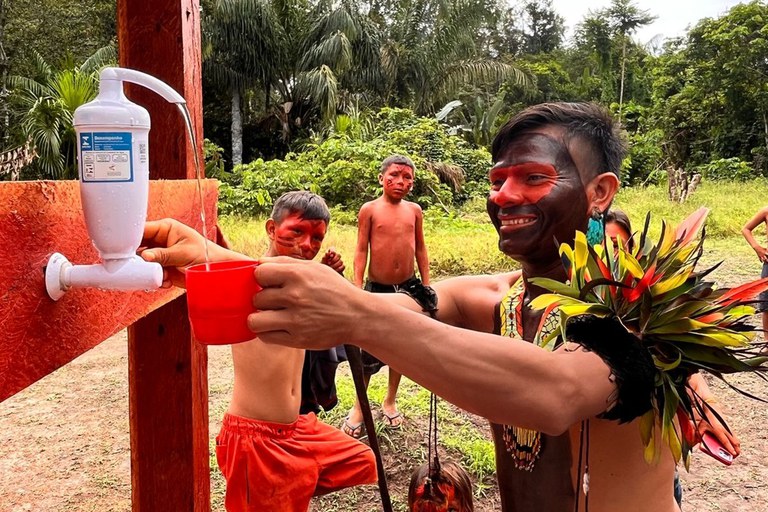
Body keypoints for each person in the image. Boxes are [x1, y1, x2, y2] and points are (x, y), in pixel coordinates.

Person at [140, 103, 753, 512]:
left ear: (599, 193)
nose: (505, 195)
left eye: (533, 178)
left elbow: (558, 393)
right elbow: (383, 308)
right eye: (498, 178)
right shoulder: (493, 298)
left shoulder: (646, 311)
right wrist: (212, 259)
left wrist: (357, 316)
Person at [206, 191, 377, 511]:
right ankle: (276, 491)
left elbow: (340, 315)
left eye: (317, 238)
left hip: (295, 429)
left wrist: (332, 277)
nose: (307, 245)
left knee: (362, 460)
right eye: (296, 232)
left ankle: (286, 486)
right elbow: (214, 255)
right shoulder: (248, 275)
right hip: (254, 436)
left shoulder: (302, 286)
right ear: (271, 229)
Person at [342, 154, 432, 437]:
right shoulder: (369, 210)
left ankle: (390, 401)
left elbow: (420, 249)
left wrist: (427, 286)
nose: (400, 182)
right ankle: (359, 406)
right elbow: (360, 250)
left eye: (407, 178)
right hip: (377, 290)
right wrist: (357, 288)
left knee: (400, 349)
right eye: (394, 175)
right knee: (367, 350)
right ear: (381, 178)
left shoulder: (414, 211)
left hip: (407, 289)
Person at [742, 206, 768, 351]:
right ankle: (767, 343)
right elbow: (746, 229)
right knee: (766, 303)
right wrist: (757, 247)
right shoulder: (766, 211)